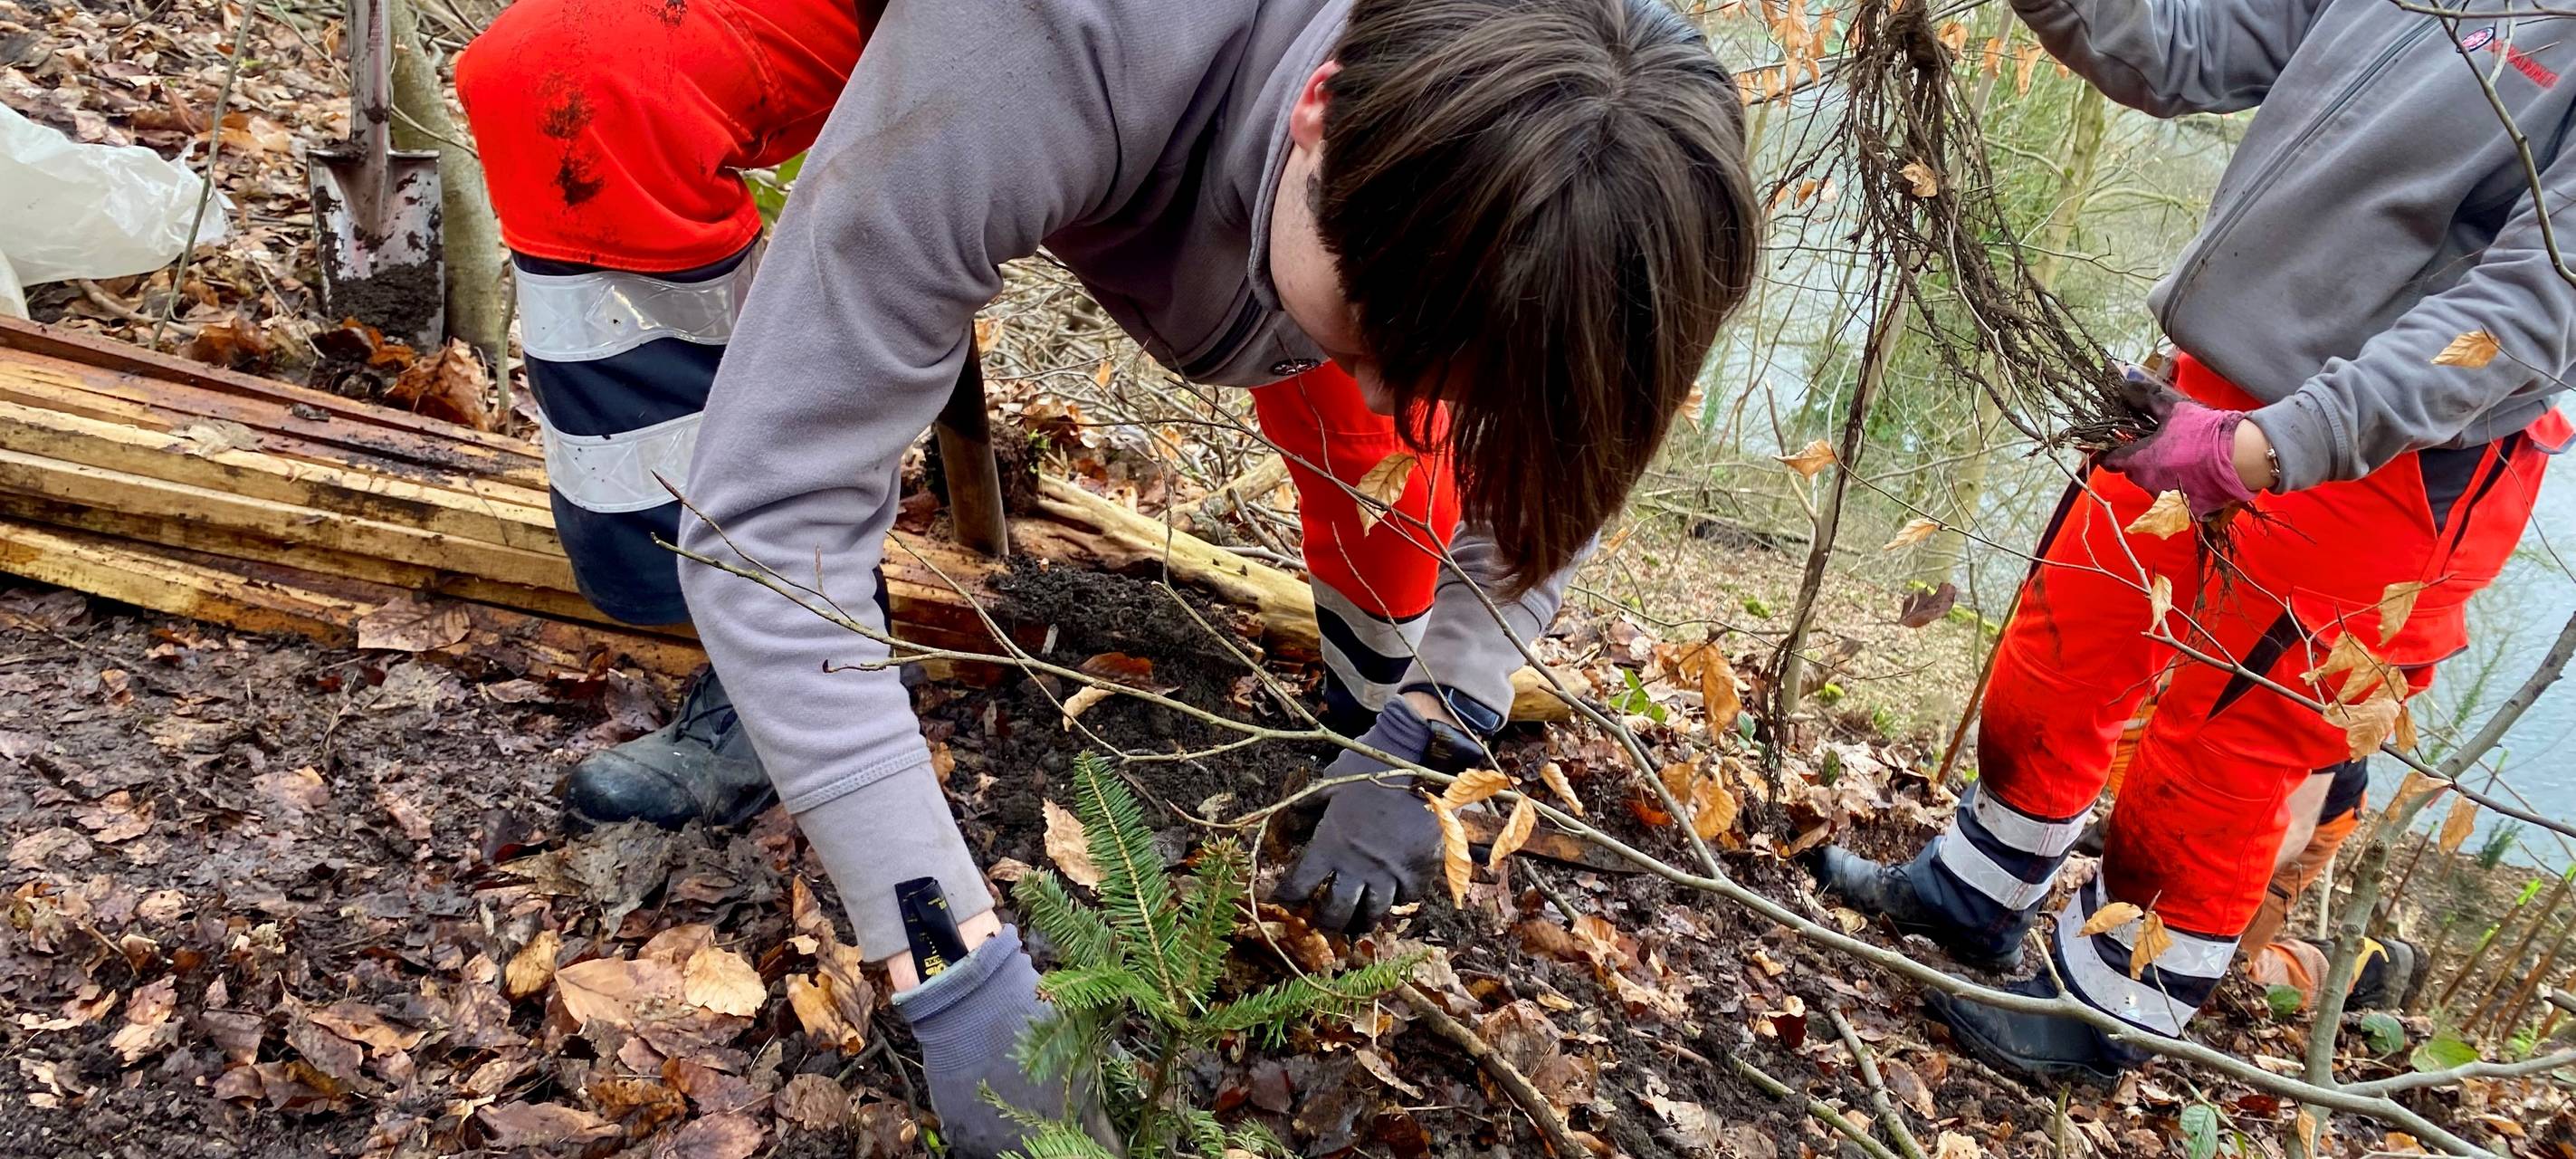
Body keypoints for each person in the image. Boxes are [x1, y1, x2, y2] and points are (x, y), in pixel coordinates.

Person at [458, 1, 1759, 1152]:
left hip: (1293, 165)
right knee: (579, 77)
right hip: (1062, 55)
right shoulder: (1047, 39)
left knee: (1405, 490)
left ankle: (1366, 716)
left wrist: (1434, 729)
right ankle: (738, 671)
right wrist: (946, 965)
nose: (1395, 392)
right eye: (1380, 334)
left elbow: (1560, 475)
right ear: (1318, 112)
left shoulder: (1602, 124)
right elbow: (780, 497)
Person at [1816, 0, 2571, 1083]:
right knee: (2064, 640)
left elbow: (2521, 314)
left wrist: (2270, 444)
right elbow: (2186, 47)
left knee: (2221, 752)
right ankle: (1972, 891)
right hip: (2208, 391)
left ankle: (2108, 1013)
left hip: (2392, 454)